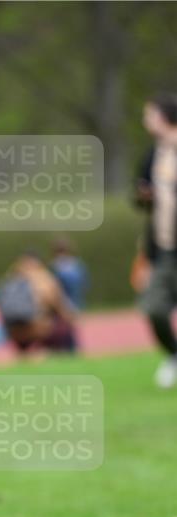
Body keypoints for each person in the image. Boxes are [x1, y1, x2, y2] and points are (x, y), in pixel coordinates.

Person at [135, 92, 177, 389]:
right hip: (164, 248)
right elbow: (140, 197)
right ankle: (174, 355)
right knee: (154, 307)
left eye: (150, 114)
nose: (146, 121)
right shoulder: (152, 155)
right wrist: (143, 195)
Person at [0, 252, 77, 354]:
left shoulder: (9, 279)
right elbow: (58, 305)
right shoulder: (44, 279)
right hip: (38, 328)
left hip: (12, 332)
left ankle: (25, 354)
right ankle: (66, 356)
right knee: (64, 328)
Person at [50, 237, 89, 311]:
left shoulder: (54, 265)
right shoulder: (77, 263)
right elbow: (85, 282)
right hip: (75, 298)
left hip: (63, 299)